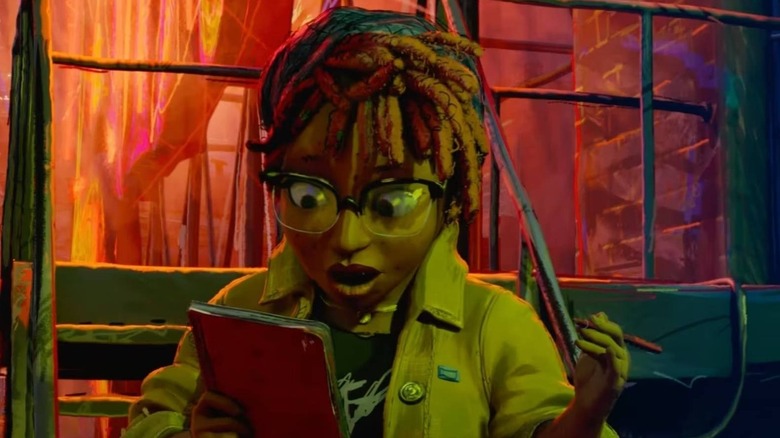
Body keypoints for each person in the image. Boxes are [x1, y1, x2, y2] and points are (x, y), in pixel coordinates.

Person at [123, 7, 629, 438]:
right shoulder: (241, 312)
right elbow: (153, 417)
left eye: (391, 203)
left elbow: (536, 423)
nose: (347, 238)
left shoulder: (495, 326)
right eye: (307, 195)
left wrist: (583, 416)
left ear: (450, 200)